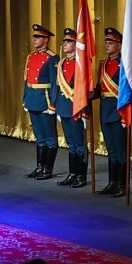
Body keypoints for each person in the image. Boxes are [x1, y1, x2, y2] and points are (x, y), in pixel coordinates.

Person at [92, 26, 129, 197]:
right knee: (111, 150)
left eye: (111, 42)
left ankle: (122, 183)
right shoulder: (103, 64)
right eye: (106, 42)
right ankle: (112, 182)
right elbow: (100, 88)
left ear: (119, 45)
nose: (106, 45)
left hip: (119, 111)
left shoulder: (125, 64)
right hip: (105, 110)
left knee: (121, 151)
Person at [52, 26, 89, 188]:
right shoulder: (61, 63)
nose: (65, 44)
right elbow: (57, 86)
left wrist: (85, 111)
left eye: (69, 41)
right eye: (64, 41)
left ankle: (81, 175)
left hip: (76, 109)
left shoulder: (81, 64)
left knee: (80, 144)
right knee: (71, 143)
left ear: (76, 44)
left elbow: (85, 88)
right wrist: (56, 106)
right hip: (64, 108)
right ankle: (72, 173)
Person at [22, 22, 58, 180]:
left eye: (38, 37)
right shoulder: (31, 56)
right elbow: (26, 80)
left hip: (45, 99)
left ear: (46, 39)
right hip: (32, 98)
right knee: (39, 136)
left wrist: (53, 103)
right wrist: (25, 97)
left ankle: (47, 169)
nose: (34, 39)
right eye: (34, 36)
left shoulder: (52, 58)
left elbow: (55, 83)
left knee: (50, 137)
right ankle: (39, 167)